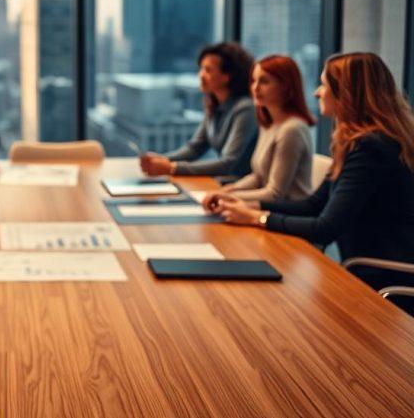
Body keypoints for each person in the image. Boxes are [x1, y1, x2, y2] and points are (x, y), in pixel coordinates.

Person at [215, 52, 414, 300]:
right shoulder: (356, 143)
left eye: (324, 85)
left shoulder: (370, 148)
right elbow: (313, 204)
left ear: (346, 93)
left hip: (381, 278)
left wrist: (258, 217)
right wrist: (250, 205)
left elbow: (325, 228)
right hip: (364, 271)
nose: (317, 92)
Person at [202, 55, 315, 209]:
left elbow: (275, 194)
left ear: (286, 86)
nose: (255, 88)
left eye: (264, 81)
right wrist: (228, 190)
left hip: (288, 216)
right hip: (269, 211)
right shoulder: (269, 123)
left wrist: (228, 196)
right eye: (254, 81)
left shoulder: (292, 129)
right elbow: (258, 177)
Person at [140, 42, 258, 177]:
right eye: (201, 69)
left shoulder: (245, 109)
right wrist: (162, 160)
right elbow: (195, 148)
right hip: (224, 183)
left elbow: (228, 163)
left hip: (239, 187)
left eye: (208, 70)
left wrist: (172, 168)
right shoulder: (214, 105)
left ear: (227, 76)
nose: (201, 75)